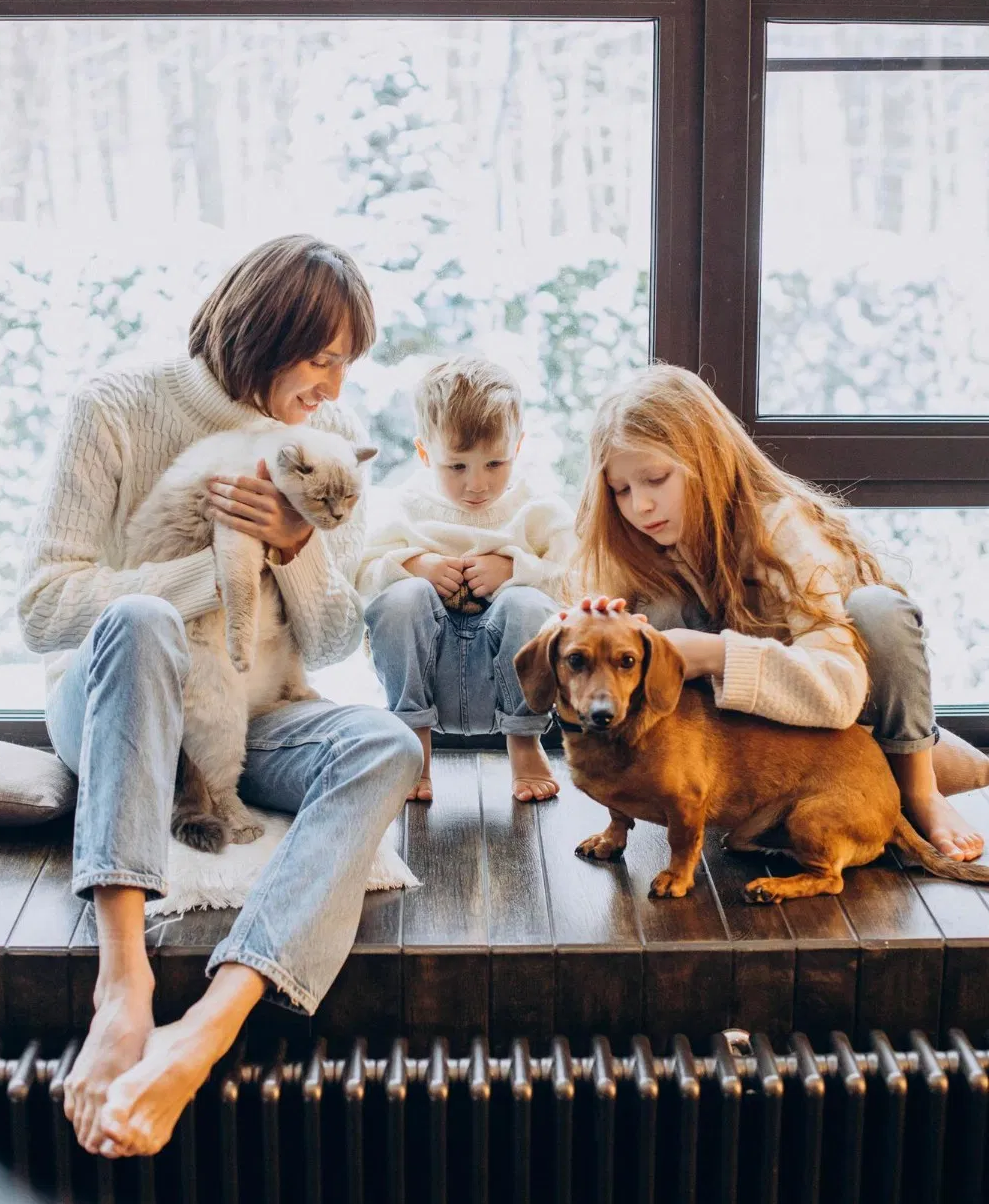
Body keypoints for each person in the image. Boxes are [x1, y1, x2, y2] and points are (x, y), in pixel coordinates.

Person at [17, 235, 422, 1160]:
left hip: (253, 715)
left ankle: (209, 1024)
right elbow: (44, 611)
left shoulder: (321, 447)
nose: (334, 383)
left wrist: (293, 545)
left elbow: (333, 641)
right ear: (261, 332)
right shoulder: (119, 407)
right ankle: (123, 988)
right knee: (142, 621)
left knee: (385, 747)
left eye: (348, 363)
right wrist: (215, 573)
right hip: (124, 704)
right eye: (321, 358)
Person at [572, 364, 989, 860]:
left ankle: (922, 794)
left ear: (708, 460)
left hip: (858, 747)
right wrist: (602, 625)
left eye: (656, 479)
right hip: (762, 766)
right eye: (621, 490)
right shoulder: (635, 551)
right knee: (657, 619)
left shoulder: (778, 529)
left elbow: (839, 693)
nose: (640, 505)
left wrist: (714, 655)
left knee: (878, 609)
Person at [358, 356, 576, 802]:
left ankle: (524, 741)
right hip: (426, 667)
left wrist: (516, 571)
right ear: (423, 454)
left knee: (530, 605)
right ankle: (412, 744)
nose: (477, 485)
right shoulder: (406, 506)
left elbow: (576, 582)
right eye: (456, 467)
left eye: (494, 464)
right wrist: (414, 565)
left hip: (502, 675)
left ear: (517, 448)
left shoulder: (538, 510)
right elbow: (361, 578)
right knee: (402, 599)